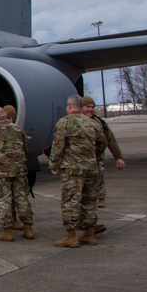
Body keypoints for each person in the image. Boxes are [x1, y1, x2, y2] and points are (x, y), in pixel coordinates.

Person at [49, 94, 106, 248]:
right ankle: (89, 234)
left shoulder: (64, 122)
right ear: (81, 107)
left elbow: (58, 145)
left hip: (72, 168)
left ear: (69, 106)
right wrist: (93, 157)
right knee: (89, 200)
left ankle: (71, 236)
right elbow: (102, 143)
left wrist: (53, 164)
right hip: (91, 168)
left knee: (71, 201)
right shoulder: (92, 123)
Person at [0, 106, 34, 241]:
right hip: (19, 171)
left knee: (3, 200)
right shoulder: (19, 129)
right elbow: (25, 147)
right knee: (22, 199)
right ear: (5, 114)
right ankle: (28, 229)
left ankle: (7, 232)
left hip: (1, 172)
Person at [81, 95, 125, 212]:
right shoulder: (74, 122)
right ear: (81, 107)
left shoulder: (99, 122)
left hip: (96, 158)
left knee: (99, 179)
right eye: (87, 107)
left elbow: (110, 139)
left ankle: (101, 198)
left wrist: (118, 157)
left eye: (92, 107)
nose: (90, 109)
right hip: (80, 160)